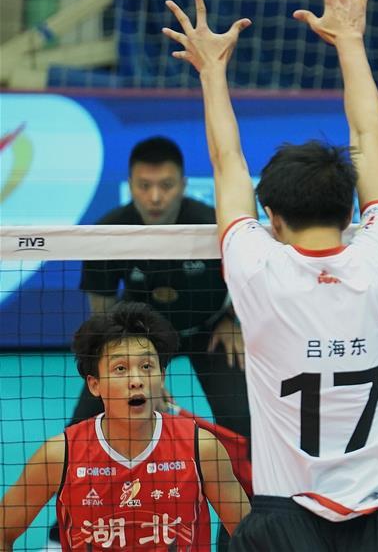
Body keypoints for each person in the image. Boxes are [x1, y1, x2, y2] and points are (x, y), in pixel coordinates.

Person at [161, 0, 378, 551]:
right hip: (375, 526)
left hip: (283, 523)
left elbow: (227, 162)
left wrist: (212, 71)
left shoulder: (259, 270)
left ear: (271, 217)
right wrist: (350, 40)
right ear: (351, 213)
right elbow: (370, 141)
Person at [67, 135, 251, 548]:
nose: (154, 197)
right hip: (136, 340)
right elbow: (100, 316)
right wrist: (135, 369)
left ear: (183, 184)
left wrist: (233, 318)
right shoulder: (108, 232)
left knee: (244, 426)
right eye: (144, 185)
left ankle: (239, 533)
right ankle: (66, 531)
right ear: (130, 183)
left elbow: (251, 279)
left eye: (165, 185)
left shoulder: (211, 224)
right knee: (79, 430)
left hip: (207, 331)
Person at [0, 302, 250, 551]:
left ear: (162, 377)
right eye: (120, 368)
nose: (136, 380)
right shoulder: (59, 455)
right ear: (95, 385)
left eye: (146, 367)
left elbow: (251, 540)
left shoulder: (202, 449)